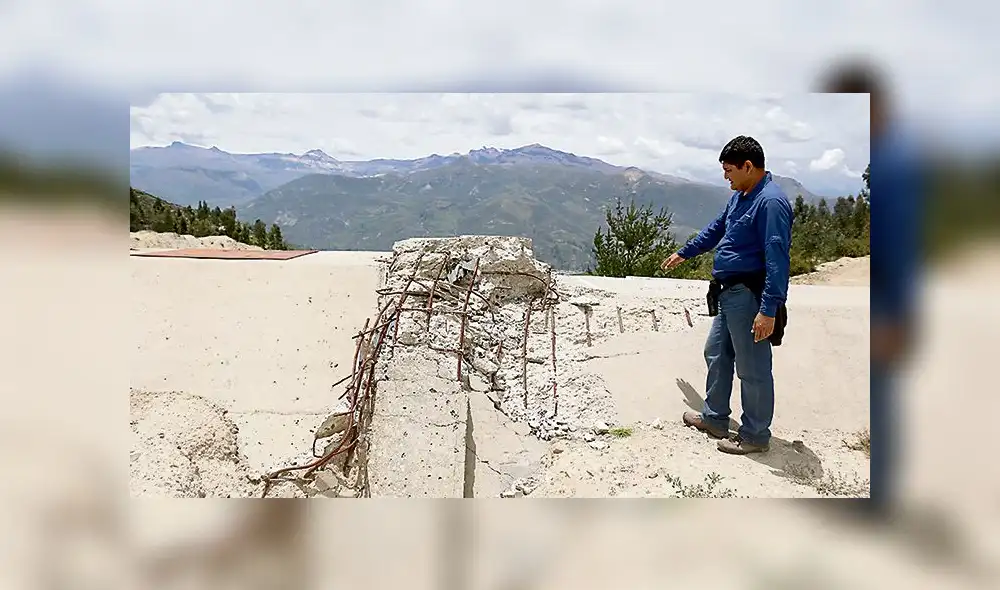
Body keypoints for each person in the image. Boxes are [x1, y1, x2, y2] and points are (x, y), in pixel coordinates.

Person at [661, 135, 793, 455]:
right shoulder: (741, 195)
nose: (725, 176)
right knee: (717, 354)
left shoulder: (770, 202)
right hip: (728, 294)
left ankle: (755, 435)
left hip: (751, 295)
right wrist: (686, 253)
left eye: (729, 170)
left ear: (748, 166)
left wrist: (769, 309)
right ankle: (715, 418)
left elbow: (777, 258)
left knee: (753, 368)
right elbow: (717, 228)